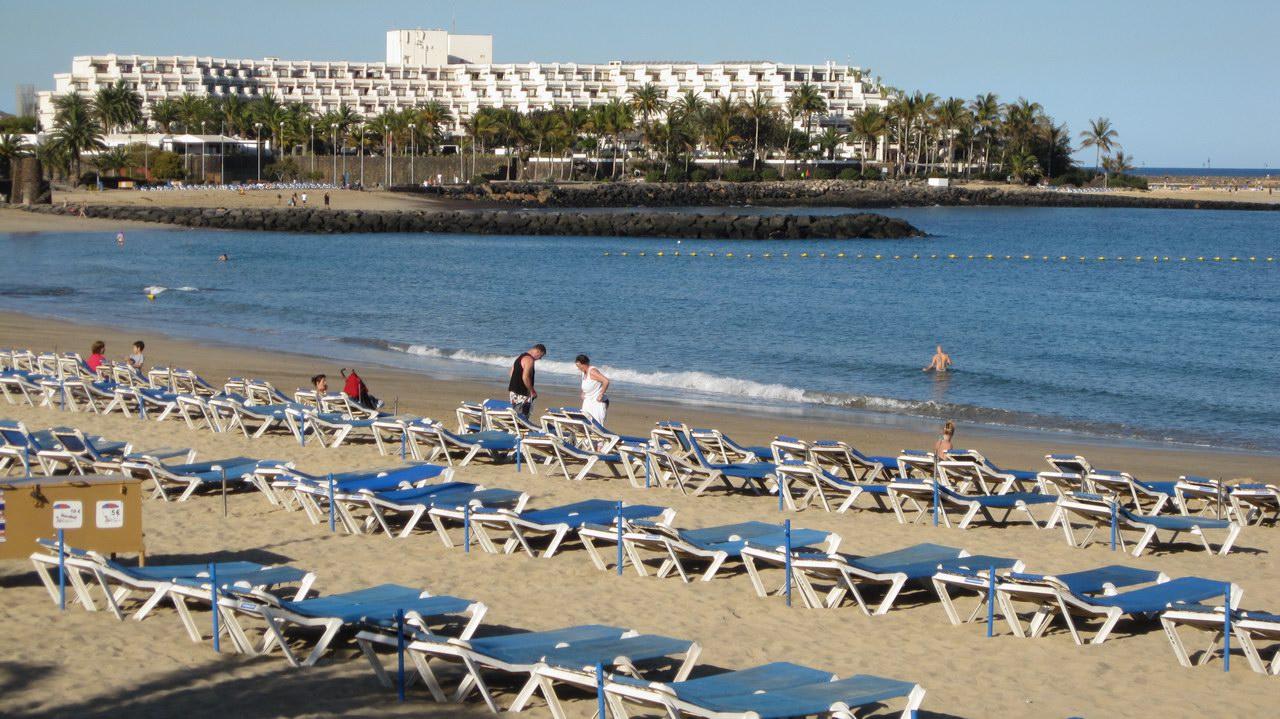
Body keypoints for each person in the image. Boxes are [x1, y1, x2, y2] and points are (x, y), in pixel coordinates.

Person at [507, 344, 546, 419]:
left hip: (513, 391)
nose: (540, 358)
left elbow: (511, 373)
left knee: (515, 414)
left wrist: (517, 383)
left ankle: (515, 428)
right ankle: (521, 429)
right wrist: (532, 391)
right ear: (538, 351)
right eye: (541, 356)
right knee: (523, 417)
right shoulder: (529, 360)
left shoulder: (520, 357)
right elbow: (525, 377)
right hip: (523, 393)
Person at [575, 354, 611, 425]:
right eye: (577, 366)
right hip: (588, 402)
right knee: (586, 424)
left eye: (579, 366)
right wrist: (583, 392)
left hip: (597, 403)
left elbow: (606, 381)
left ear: (584, 364)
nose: (578, 368)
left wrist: (601, 394)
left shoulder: (592, 371)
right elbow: (588, 384)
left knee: (596, 426)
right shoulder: (583, 372)